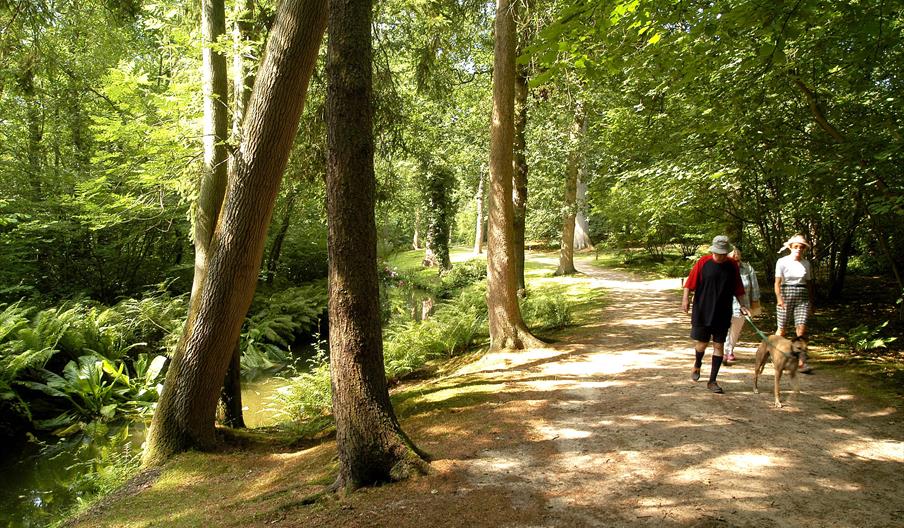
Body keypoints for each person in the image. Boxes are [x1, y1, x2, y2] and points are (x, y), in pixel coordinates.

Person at [682, 235, 748, 393]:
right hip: (703, 309)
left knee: (719, 345)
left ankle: (712, 381)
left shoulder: (732, 265)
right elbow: (689, 283)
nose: (720, 256)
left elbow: (738, 288)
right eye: (718, 253)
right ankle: (697, 365)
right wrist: (685, 300)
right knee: (702, 344)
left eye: (723, 253)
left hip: (722, 311)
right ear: (713, 250)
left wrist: (743, 305)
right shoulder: (703, 262)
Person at [774, 234, 814, 373]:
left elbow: (809, 283)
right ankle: (776, 355)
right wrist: (779, 299)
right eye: (796, 246)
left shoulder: (806, 263)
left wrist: (811, 302)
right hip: (786, 293)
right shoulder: (782, 261)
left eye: (801, 247)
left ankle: (802, 361)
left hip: (802, 296)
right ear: (790, 247)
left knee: (801, 329)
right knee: (782, 328)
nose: (798, 249)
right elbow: (777, 283)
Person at [723, 248, 760, 365]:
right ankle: (724, 351)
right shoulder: (722, 267)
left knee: (735, 329)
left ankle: (729, 350)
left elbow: (754, 286)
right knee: (724, 328)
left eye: (737, 252)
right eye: (732, 253)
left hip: (743, 305)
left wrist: (755, 302)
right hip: (724, 303)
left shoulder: (748, 268)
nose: (735, 254)